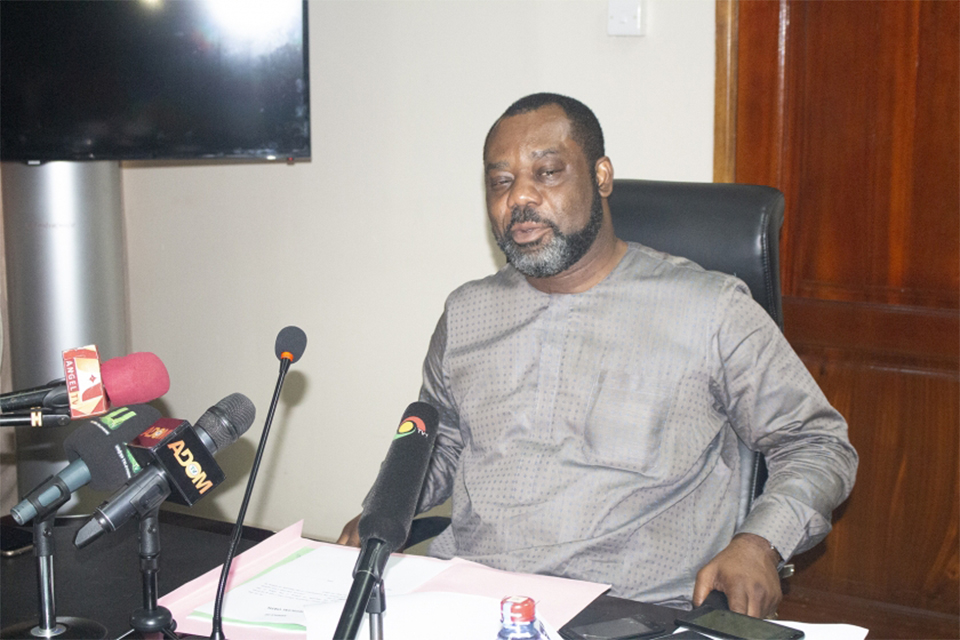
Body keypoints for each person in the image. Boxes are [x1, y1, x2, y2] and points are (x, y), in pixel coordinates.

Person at [339, 93, 858, 618]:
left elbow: (817, 443)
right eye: (501, 182)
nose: (520, 198)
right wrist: (384, 513)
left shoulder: (710, 308)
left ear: (601, 175)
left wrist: (759, 542)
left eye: (546, 173)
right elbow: (439, 440)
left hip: (633, 610)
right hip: (473, 598)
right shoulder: (467, 312)